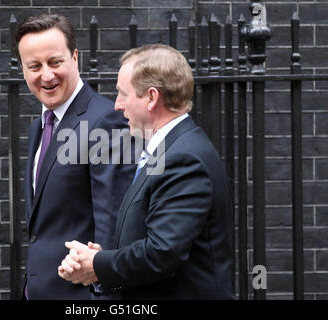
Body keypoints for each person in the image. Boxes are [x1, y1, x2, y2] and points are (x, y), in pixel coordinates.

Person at [58, 44, 234, 299]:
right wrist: (101, 259)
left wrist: (97, 264)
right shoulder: (171, 147)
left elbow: (162, 253)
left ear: (152, 97)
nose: (117, 105)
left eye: (123, 94)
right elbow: (151, 235)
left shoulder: (184, 158)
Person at [15, 14, 136, 299]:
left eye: (55, 62)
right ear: (23, 70)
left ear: (75, 57)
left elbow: (113, 226)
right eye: (34, 66)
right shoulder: (40, 125)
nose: (46, 75)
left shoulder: (105, 121)